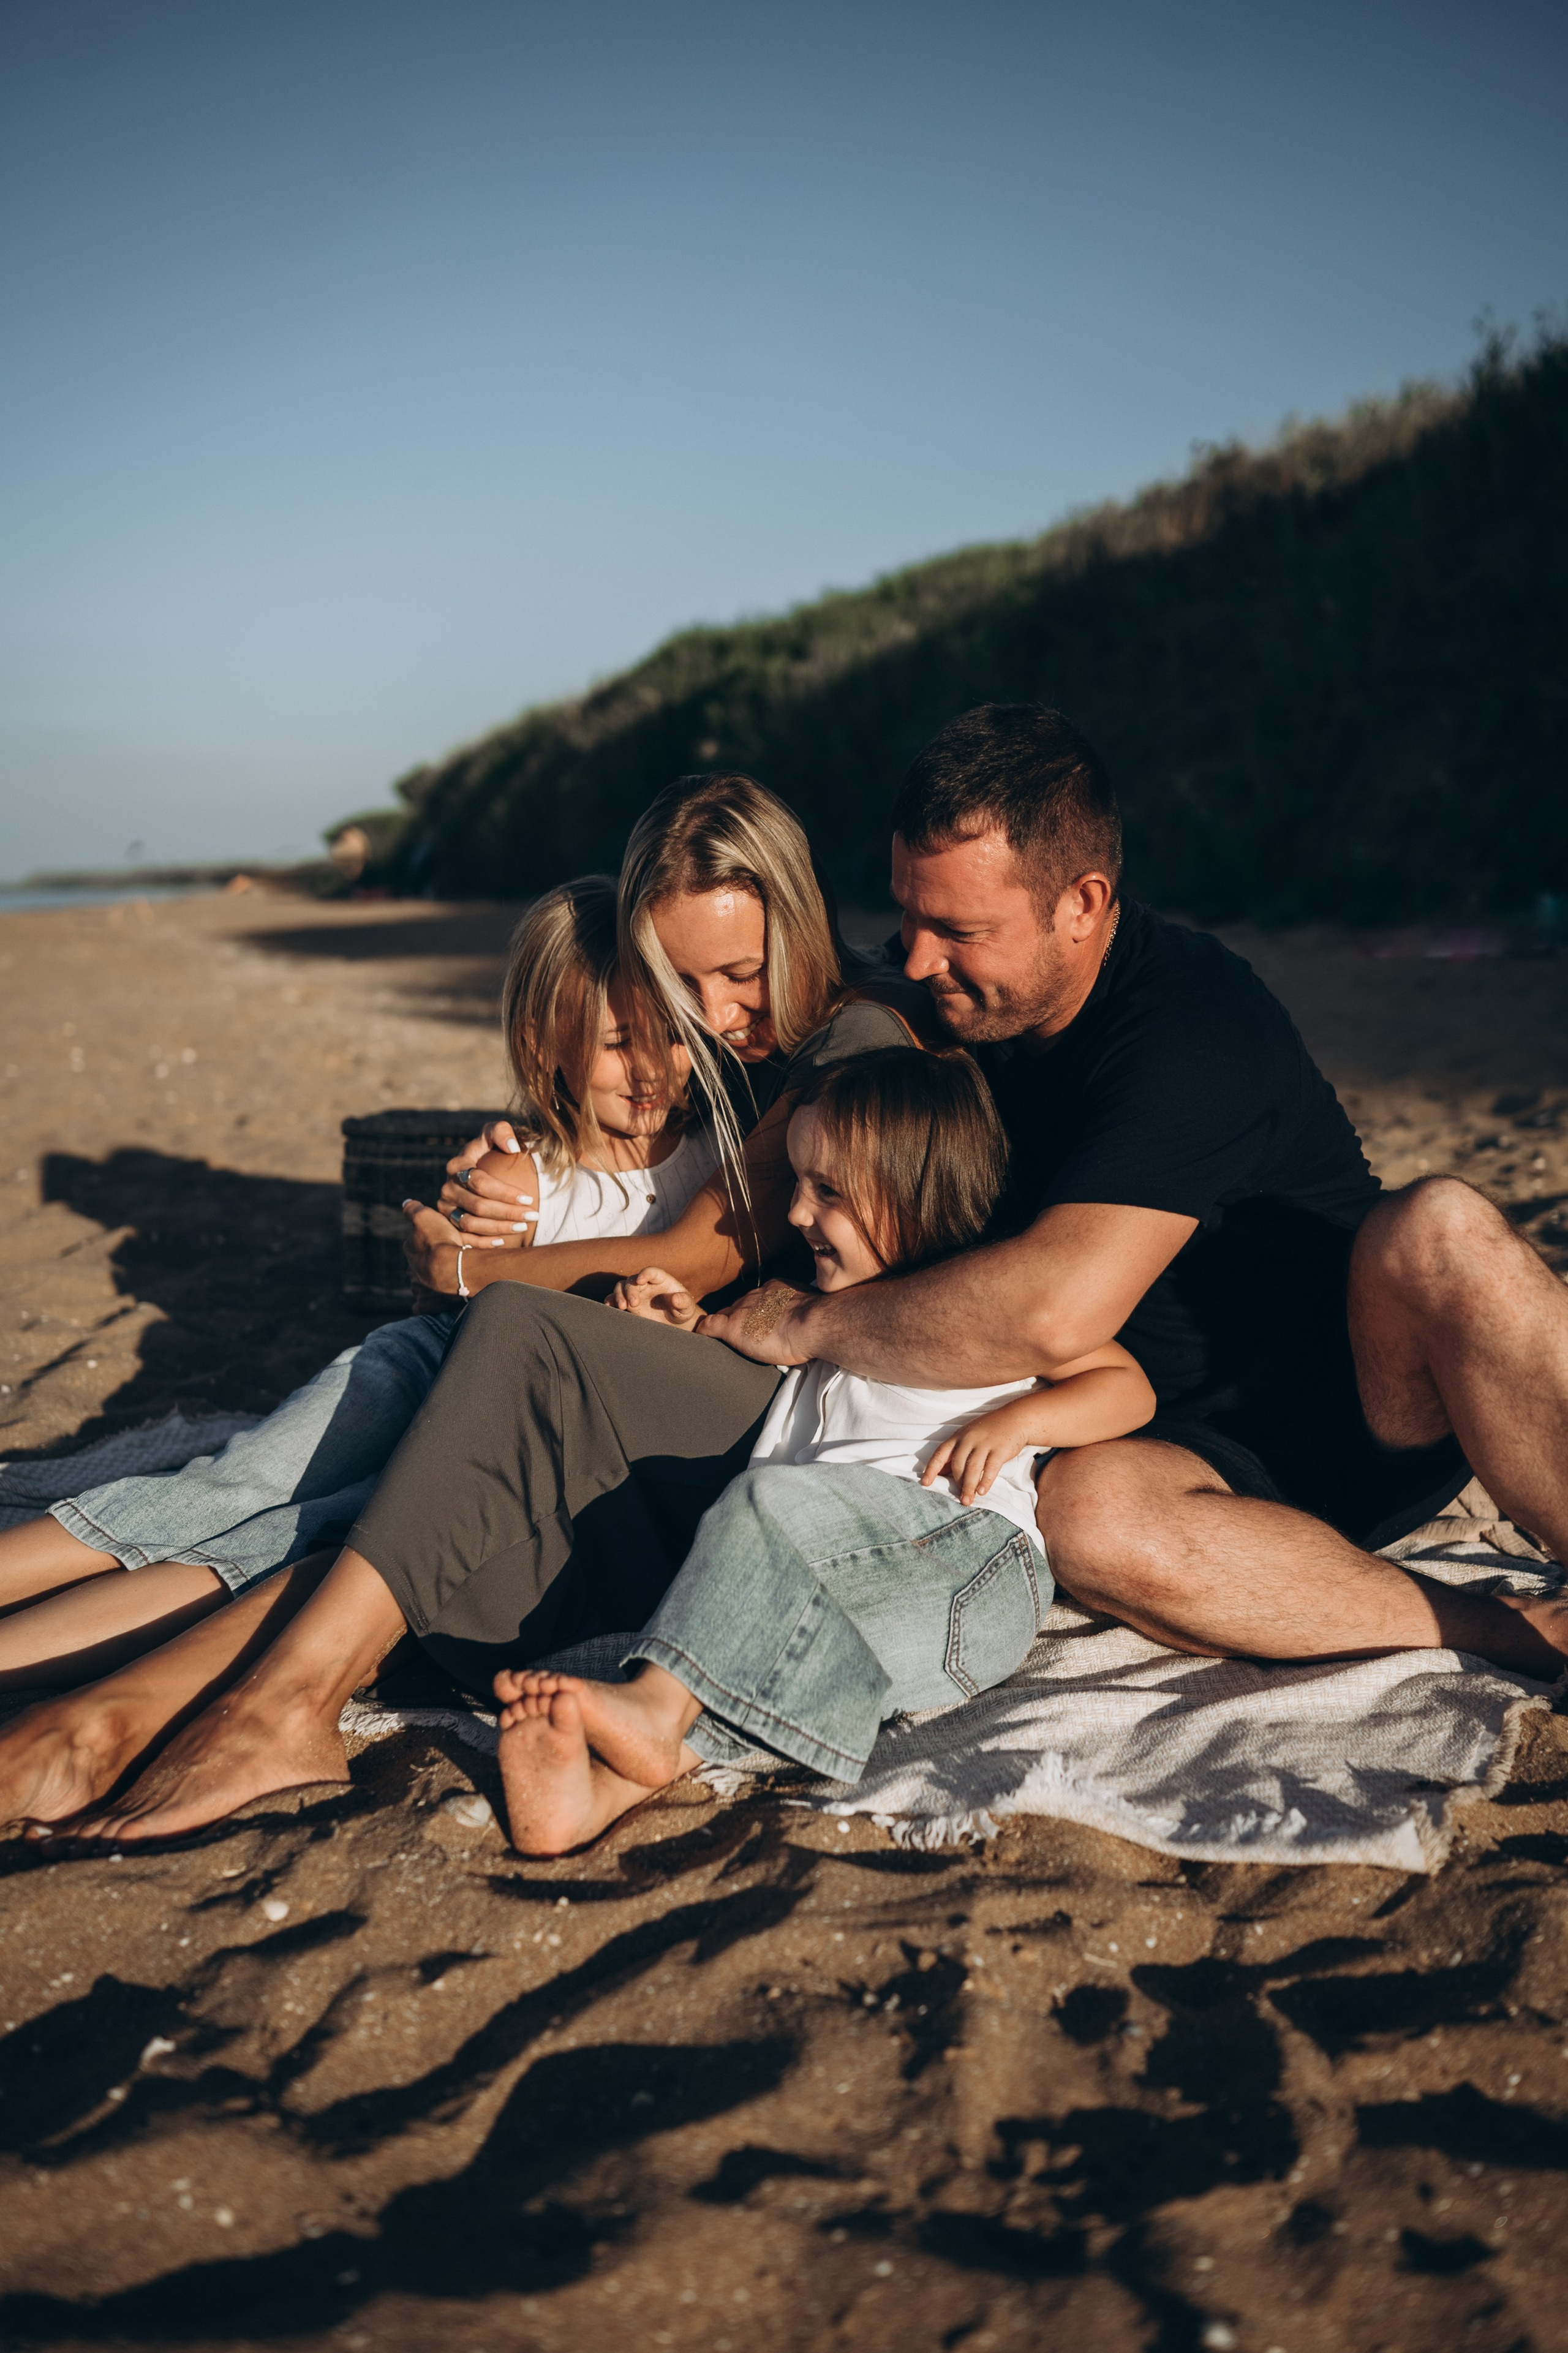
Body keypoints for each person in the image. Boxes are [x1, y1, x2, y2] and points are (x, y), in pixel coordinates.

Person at [0, 775, 922, 1831]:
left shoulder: (851, 1045)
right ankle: (98, 1720)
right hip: (667, 1370)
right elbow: (621, 1149)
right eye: (683, 986)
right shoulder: (744, 1046)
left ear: (799, 916)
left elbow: (693, 1251)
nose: (714, 1018)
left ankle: (257, 1708)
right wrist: (518, 1168)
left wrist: (467, 1273)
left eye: (743, 975)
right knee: (369, 1508)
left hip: (764, 1419)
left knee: (468, 1371)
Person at [0, 875, 717, 1690]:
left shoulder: (713, 1166)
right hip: (415, 1373)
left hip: (492, 1441)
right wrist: (451, 1255)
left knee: (301, 1537)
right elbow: (450, 1309)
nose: (653, 1068)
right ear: (544, 1041)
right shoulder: (521, 1174)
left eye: (672, 1035)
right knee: (234, 1486)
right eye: (620, 1042)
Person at [493, 1046, 1155, 1854]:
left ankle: (652, 1709)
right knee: (742, 1647)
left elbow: (1130, 1388)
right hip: (885, 1617)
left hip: (968, 1563)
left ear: (921, 1191)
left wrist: (1023, 1422)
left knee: (761, 1514)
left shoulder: (976, 1300)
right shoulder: (810, 1312)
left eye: (829, 1192)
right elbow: (731, 1339)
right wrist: (677, 1321)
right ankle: (599, 1797)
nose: (800, 1214)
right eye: (800, 1186)